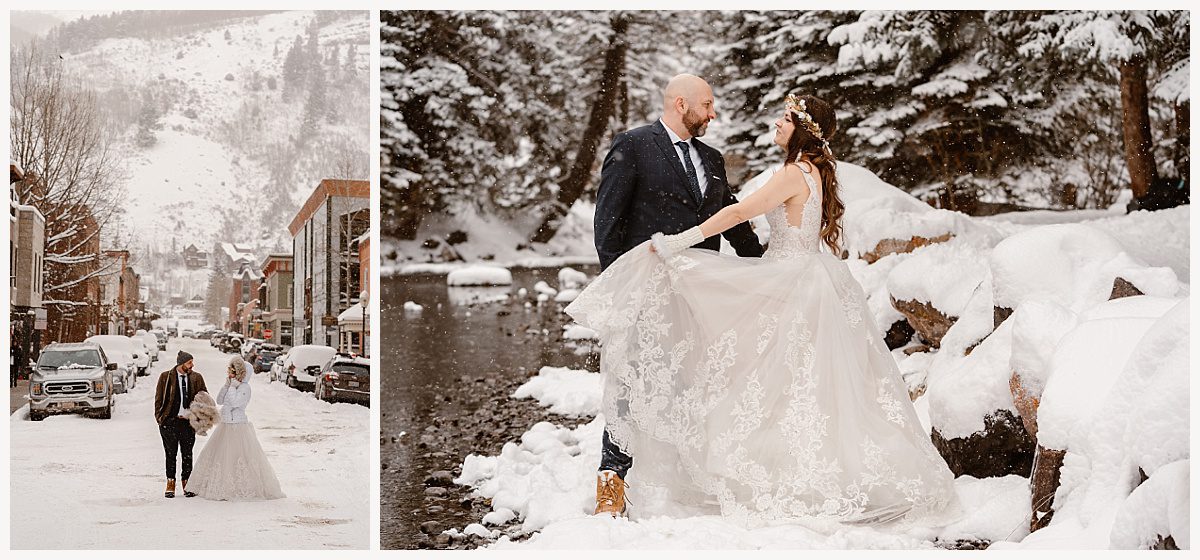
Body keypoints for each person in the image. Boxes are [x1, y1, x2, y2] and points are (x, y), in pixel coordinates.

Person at [565, 93, 961, 527]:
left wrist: (679, 242)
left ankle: (794, 477)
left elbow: (738, 211)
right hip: (802, 278)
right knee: (793, 387)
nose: (776, 123)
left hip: (792, 282)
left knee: (775, 384)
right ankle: (792, 468)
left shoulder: (794, 172)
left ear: (802, 129)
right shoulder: (813, 171)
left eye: (785, 118)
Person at [589, 73, 765, 515]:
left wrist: (762, 265)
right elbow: (607, 225)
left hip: (701, 293)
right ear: (681, 104)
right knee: (631, 382)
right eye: (707, 105)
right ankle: (612, 479)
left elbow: (730, 215)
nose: (713, 113)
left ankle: (689, 472)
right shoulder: (633, 145)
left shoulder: (713, 157)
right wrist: (620, 288)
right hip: (647, 289)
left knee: (693, 381)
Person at [187, 356, 284, 501]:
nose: (229, 373)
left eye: (232, 371)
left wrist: (232, 387)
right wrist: (226, 386)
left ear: (240, 373)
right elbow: (220, 400)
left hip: (238, 426)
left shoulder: (245, 388)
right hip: (225, 424)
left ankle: (241, 488)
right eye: (229, 370)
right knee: (221, 456)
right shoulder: (231, 385)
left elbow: (236, 402)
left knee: (238, 456)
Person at [154, 350, 208, 498]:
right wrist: (160, 418)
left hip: (188, 423)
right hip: (169, 422)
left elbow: (205, 398)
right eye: (189, 362)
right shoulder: (166, 377)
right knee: (170, 454)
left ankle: (187, 483)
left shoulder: (196, 378)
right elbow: (158, 399)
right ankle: (170, 483)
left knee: (187, 454)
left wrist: (199, 417)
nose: (192, 365)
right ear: (181, 363)